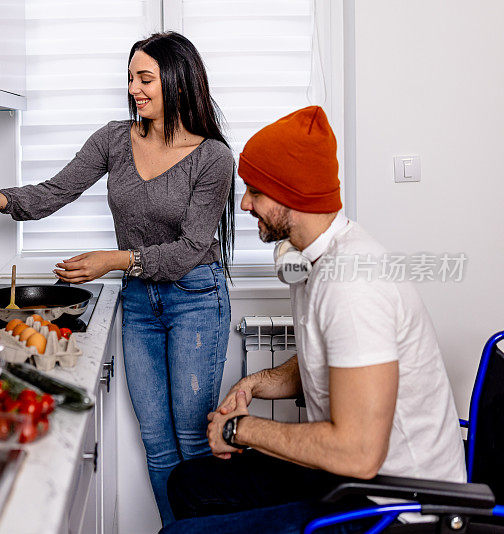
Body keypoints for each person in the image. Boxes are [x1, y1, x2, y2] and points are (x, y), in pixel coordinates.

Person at [0, 32, 235, 525]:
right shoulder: (114, 138)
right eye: (130, 78)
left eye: (145, 78)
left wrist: (115, 259)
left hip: (195, 297)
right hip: (141, 304)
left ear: (178, 80)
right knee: (156, 441)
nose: (133, 88)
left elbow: (192, 250)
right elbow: (54, 191)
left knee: (193, 438)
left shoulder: (213, 158)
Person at [162, 106, 466, 533]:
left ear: (293, 194)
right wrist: (254, 383)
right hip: (352, 479)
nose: (245, 203)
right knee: (188, 484)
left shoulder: (352, 286)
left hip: (393, 508)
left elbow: (358, 453)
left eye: (255, 190)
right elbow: (323, 364)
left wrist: (240, 431)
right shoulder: (313, 259)